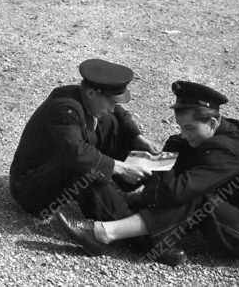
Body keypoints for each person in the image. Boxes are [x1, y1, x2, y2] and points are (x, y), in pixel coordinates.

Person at [53, 81, 239, 267]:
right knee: (186, 172)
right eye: (181, 127)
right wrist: (171, 153)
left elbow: (175, 192)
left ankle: (104, 233)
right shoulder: (225, 131)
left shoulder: (230, 151)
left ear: (213, 123)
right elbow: (181, 162)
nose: (184, 133)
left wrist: (164, 165)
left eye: (190, 128)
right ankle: (141, 223)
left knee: (195, 195)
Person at [9, 59, 162, 224]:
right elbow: (76, 154)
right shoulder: (64, 110)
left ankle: (150, 188)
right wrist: (120, 168)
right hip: (30, 187)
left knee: (111, 122)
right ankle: (130, 229)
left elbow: (118, 112)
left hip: (54, 169)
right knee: (88, 168)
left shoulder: (87, 97)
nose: (113, 107)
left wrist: (138, 138)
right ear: (91, 93)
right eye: (111, 101)